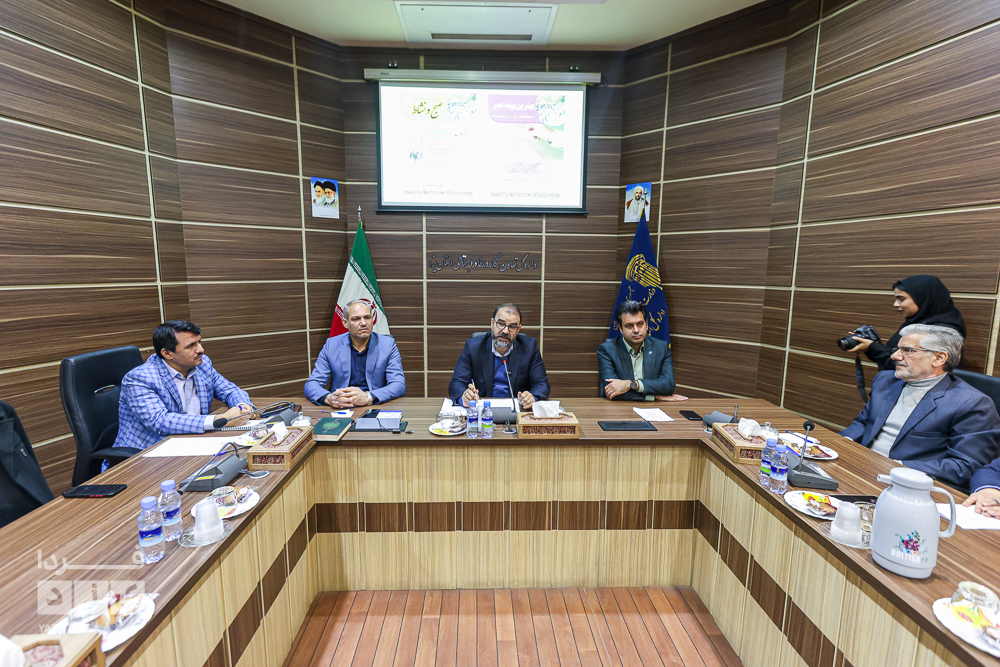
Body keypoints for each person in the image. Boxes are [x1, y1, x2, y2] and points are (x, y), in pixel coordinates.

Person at [840, 324, 1000, 490]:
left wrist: (896, 467)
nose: (894, 356)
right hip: (859, 466)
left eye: (908, 350)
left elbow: (965, 466)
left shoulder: (972, 403)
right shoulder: (885, 380)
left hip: (908, 485)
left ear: (938, 358)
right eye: (897, 349)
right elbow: (864, 422)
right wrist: (841, 444)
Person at [115, 321, 254, 450]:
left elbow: (230, 390)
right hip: (149, 453)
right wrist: (220, 420)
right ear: (167, 353)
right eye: (191, 346)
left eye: (199, 342)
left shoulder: (202, 364)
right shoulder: (139, 378)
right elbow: (160, 421)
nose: (201, 349)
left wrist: (243, 406)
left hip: (196, 442)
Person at [846, 275, 965, 372]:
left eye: (901, 299)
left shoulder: (943, 332)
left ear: (922, 298)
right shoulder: (916, 322)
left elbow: (913, 368)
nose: (896, 304)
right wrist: (870, 347)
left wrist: (873, 347)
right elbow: (895, 359)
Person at [304, 300, 405, 408]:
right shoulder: (332, 345)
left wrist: (368, 397)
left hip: (374, 405)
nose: (363, 323)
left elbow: (398, 384)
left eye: (367, 317)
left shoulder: (387, 345)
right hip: (340, 406)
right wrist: (328, 398)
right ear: (345, 322)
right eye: (356, 319)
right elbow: (312, 384)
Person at [449, 303, 549, 409]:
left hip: (517, 411)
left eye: (512, 327)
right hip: (483, 410)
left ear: (518, 329)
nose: (505, 331)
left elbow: (541, 384)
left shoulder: (529, 347)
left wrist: (532, 398)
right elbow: (457, 383)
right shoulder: (473, 347)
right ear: (492, 323)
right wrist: (464, 398)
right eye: (501, 324)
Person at [597, 300, 688, 402]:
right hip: (619, 408)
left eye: (640, 324)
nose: (636, 330)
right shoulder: (607, 350)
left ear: (647, 324)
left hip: (652, 409)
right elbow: (611, 391)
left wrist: (632, 384)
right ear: (620, 329)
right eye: (629, 326)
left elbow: (668, 385)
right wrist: (654, 396)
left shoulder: (661, 348)